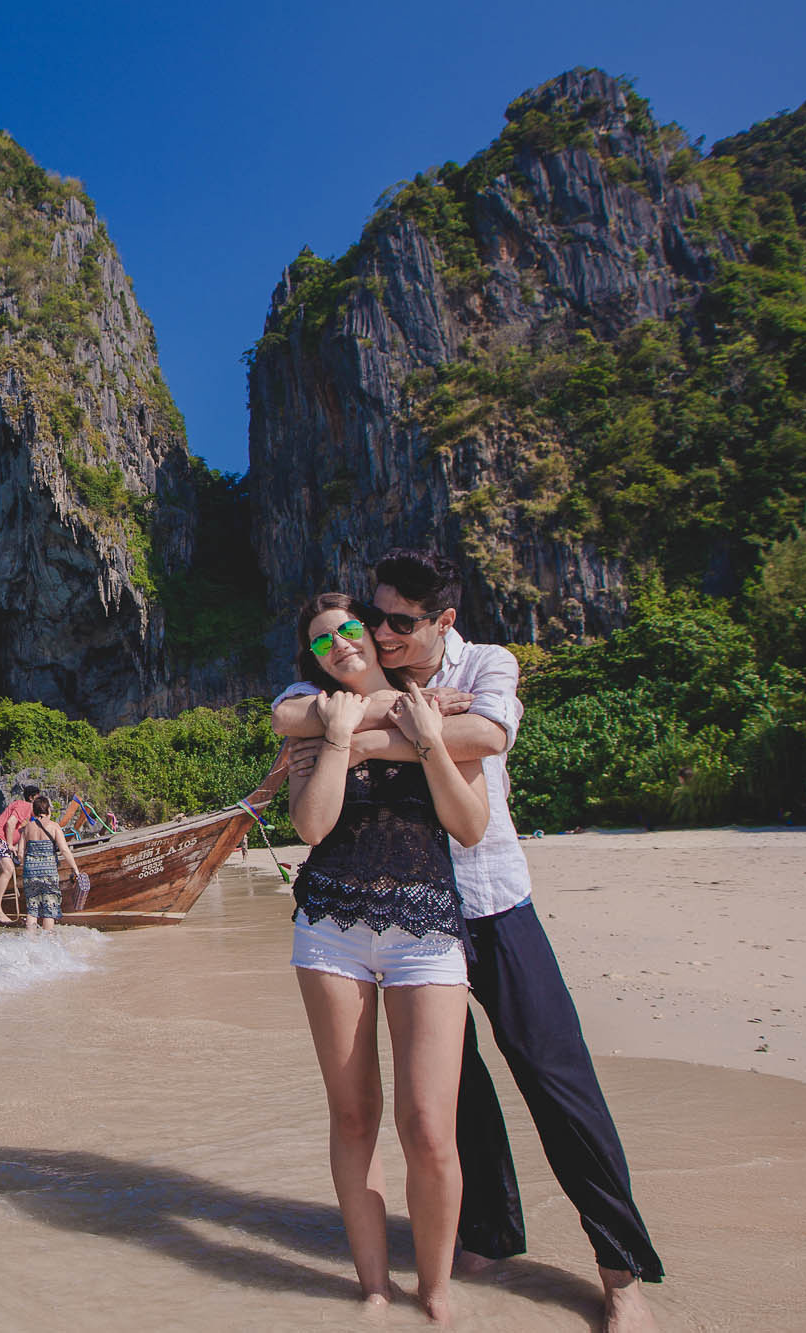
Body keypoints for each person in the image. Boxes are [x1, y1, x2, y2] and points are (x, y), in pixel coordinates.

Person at [274, 550, 663, 1333]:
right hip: (388, 904)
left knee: (555, 1078)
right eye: (371, 615)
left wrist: (373, 731)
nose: (377, 633)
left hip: (486, 900)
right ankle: (481, 1240)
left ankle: (620, 1272)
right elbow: (290, 717)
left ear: (440, 622)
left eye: (393, 622)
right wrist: (401, 720)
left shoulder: (486, 663)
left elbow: (483, 737)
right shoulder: (357, 677)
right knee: (454, 1104)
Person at [281, 591, 488, 1322]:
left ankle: (435, 1291)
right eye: (319, 640)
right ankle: (373, 1284)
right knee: (354, 1115)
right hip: (331, 925)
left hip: (427, 925)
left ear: (372, 630)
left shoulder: (436, 705)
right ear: (311, 658)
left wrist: (425, 733)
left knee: (429, 1125)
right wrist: (339, 738)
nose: (337, 644)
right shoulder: (312, 719)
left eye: (346, 628)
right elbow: (311, 824)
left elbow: (469, 825)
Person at [11, 793, 81, 932]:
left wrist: (27, 865)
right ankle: (47, 941)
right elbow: (64, 850)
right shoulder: (54, 827)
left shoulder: (27, 828)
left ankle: (30, 941)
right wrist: (75, 869)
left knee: (32, 908)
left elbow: (20, 853)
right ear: (47, 810)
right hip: (49, 871)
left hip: (30, 872)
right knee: (49, 907)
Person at [0, 784, 38, 924]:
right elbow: (10, 823)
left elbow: (22, 836)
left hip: (0, 840)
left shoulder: (30, 816)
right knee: (8, 868)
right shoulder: (25, 806)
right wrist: (9, 845)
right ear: (31, 798)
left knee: (11, 865)